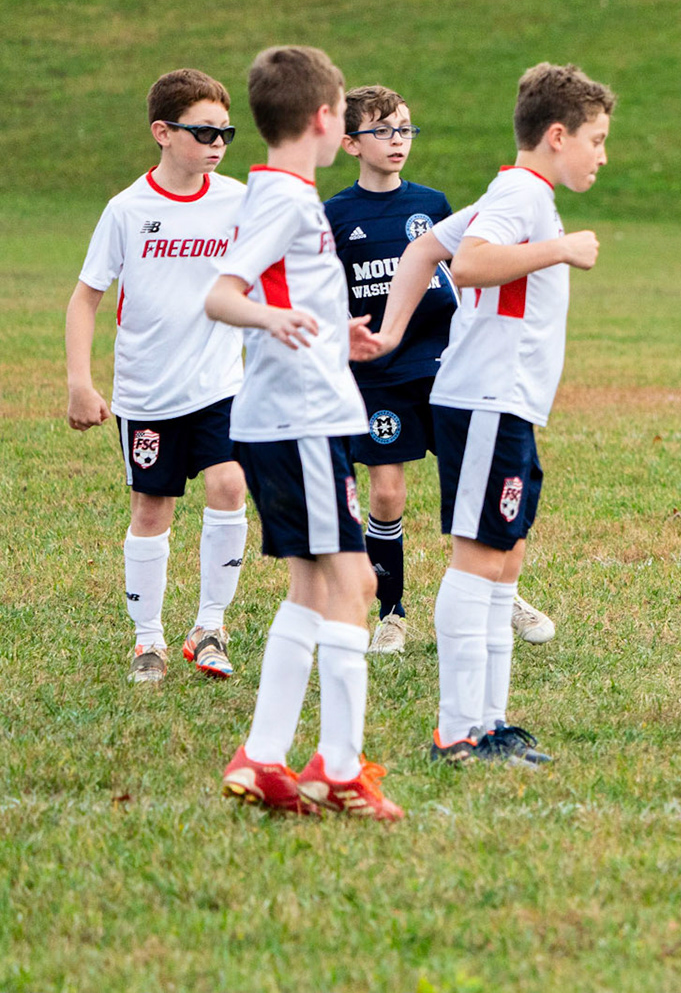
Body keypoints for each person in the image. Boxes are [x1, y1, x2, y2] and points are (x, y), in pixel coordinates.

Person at [365, 62, 612, 767]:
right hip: (482, 401)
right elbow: (468, 264)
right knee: (477, 563)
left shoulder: (521, 192)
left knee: (502, 562)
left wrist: (387, 332)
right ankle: (456, 732)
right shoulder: (519, 196)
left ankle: (491, 724)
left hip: (505, 406)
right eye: (595, 139)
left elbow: (422, 250)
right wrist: (561, 248)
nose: (602, 154)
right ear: (558, 135)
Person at [209, 45, 401, 819]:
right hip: (300, 423)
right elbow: (223, 295)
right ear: (327, 120)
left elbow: (282, 289)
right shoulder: (288, 202)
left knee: (311, 588)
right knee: (355, 584)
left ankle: (261, 758)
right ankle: (340, 769)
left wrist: (329, 333)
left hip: (287, 417)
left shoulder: (277, 193)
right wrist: (273, 316)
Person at [322, 85, 559, 653]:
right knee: (386, 494)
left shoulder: (432, 203)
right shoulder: (334, 215)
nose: (397, 140)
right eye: (382, 131)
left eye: (404, 128)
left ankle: (503, 595)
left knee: (479, 482)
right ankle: (392, 610)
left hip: (447, 367)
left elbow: (468, 269)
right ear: (352, 143)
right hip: (379, 373)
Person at [66, 69, 251, 684]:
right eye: (203, 131)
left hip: (221, 382)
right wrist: (80, 382)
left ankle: (210, 627)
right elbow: (86, 298)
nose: (217, 142)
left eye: (225, 131)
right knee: (152, 508)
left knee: (229, 485)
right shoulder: (127, 208)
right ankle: (148, 642)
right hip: (148, 390)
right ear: (163, 133)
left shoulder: (236, 201)